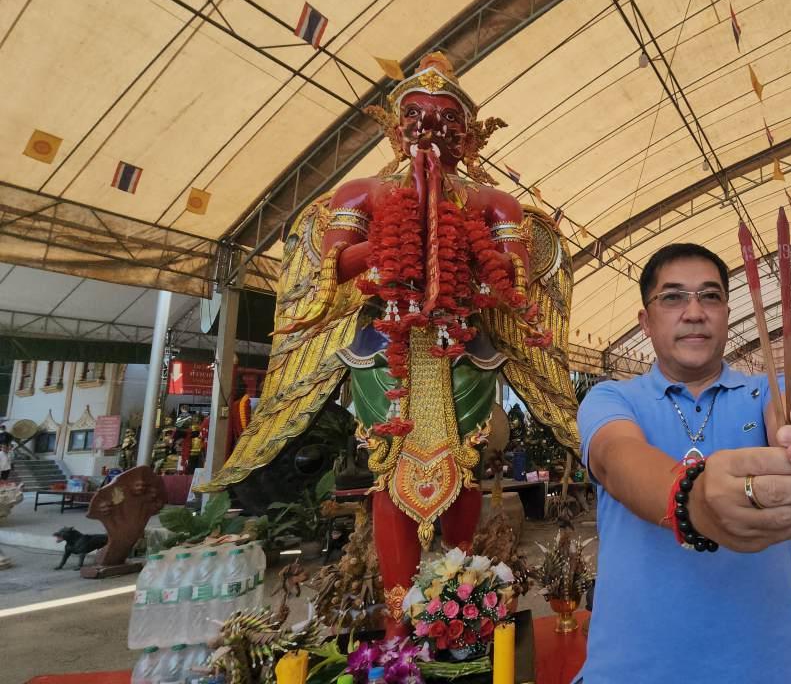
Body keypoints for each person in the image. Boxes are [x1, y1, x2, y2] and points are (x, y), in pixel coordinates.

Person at [195, 52, 581, 639]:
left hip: (465, 349)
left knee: (462, 469)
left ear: (468, 135)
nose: (431, 127)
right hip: (383, 348)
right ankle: (400, 622)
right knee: (391, 474)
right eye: (417, 115)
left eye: (447, 118)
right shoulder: (361, 193)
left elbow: (516, 279)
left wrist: (457, 250)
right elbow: (331, 271)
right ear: (397, 128)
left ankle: (463, 605)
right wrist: (398, 244)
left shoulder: (494, 204)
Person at [576, 243, 791, 684]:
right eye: (673, 297)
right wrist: (692, 500)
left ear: (727, 314)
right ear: (646, 321)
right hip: (632, 671)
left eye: (710, 296)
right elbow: (616, 458)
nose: (694, 312)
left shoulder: (770, 388)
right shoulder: (611, 397)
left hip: (771, 669)